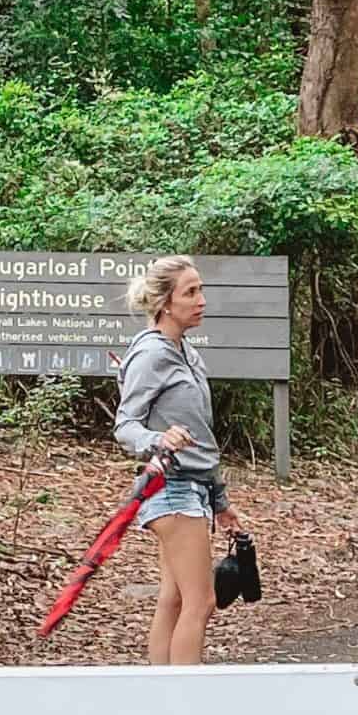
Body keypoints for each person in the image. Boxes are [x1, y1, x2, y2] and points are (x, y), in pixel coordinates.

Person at [112, 256, 250, 665]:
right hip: (171, 489)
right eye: (190, 292)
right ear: (165, 303)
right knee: (201, 601)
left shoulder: (187, 353)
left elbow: (202, 438)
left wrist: (221, 503)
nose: (201, 300)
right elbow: (126, 426)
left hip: (196, 488)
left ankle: (161, 694)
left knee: (173, 599)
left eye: (200, 289)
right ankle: (185, 700)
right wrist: (159, 438)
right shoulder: (152, 354)